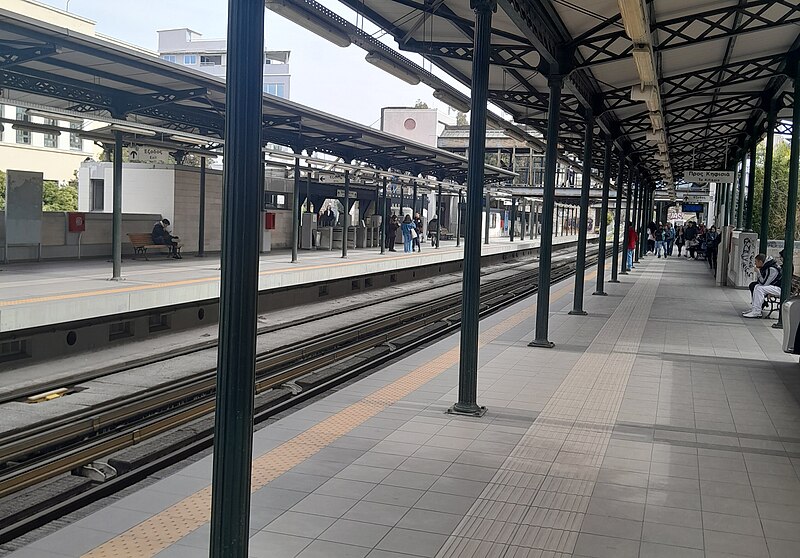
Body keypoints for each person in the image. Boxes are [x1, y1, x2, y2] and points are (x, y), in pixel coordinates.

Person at [743, 254, 782, 318]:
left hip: (779, 288)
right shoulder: (767, 266)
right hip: (774, 286)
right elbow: (762, 282)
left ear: (760, 262)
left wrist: (758, 272)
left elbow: (764, 284)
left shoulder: (771, 269)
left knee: (759, 288)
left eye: (756, 262)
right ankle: (754, 309)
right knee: (756, 286)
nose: (755, 264)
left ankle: (757, 311)